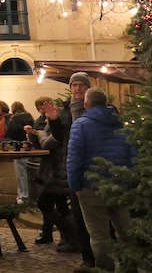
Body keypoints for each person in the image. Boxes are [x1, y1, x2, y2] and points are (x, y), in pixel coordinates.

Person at [67, 88, 136, 272]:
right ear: (105, 102)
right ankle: (130, 268)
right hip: (120, 186)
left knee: (99, 236)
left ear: (86, 104)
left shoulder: (80, 125)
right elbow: (132, 154)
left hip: (91, 186)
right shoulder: (120, 123)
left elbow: (74, 158)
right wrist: (130, 182)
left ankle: (105, 269)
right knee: (125, 232)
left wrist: (75, 185)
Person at [27, 98, 79, 252]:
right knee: (60, 205)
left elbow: (49, 142)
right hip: (53, 168)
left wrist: (40, 133)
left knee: (45, 203)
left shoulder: (64, 117)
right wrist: (34, 134)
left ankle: (72, 237)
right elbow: (41, 143)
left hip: (59, 169)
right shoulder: (52, 118)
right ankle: (65, 238)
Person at [7, 101, 34, 204]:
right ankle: (30, 196)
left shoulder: (13, 119)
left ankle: (23, 196)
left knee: (20, 173)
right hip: (29, 146)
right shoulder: (29, 117)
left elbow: (10, 132)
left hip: (18, 147)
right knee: (29, 173)